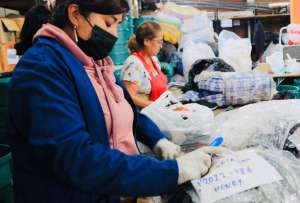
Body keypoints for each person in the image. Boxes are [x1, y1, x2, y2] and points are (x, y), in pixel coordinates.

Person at [8, 1, 224, 203]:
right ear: (75, 15)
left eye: (118, 24)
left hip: (114, 191)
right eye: (109, 23)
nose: (113, 34)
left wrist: (158, 141)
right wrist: (173, 171)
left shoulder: (96, 63)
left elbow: (129, 112)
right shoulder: (42, 67)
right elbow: (76, 158)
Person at [122, 22, 167, 108]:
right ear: (146, 41)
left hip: (158, 111)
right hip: (143, 115)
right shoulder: (134, 64)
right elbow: (129, 97)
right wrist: (156, 106)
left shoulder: (154, 60)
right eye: (159, 42)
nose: (161, 46)